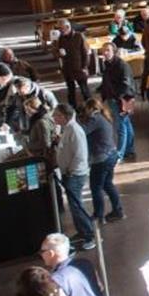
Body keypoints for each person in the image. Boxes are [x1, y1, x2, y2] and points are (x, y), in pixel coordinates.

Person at [53, 103, 96, 251]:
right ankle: (82, 232)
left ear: (64, 116)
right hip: (69, 172)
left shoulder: (74, 130)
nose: (54, 118)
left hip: (75, 174)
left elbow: (80, 154)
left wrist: (71, 170)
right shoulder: (68, 128)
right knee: (74, 205)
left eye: (56, 115)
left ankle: (89, 235)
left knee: (77, 206)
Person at [79, 98, 126, 225]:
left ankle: (98, 215)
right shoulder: (104, 116)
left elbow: (81, 131)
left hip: (101, 158)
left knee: (96, 187)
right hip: (111, 155)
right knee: (107, 184)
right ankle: (118, 211)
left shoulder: (95, 119)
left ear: (90, 109)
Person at [39, 233, 105, 296]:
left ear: (51, 253)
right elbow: (100, 287)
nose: (41, 255)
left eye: (42, 251)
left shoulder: (56, 280)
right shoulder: (86, 263)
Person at [98, 43, 136, 160]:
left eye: (108, 50)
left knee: (120, 126)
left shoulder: (122, 65)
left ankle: (120, 153)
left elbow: (126, 84)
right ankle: (129, 150)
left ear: (114, 51)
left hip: (123, 99)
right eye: (104, 50)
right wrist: (102, 94)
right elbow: (106, 82)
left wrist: (117, 97)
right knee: (126, 124)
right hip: (113, 98)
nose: (105, 53)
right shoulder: (107, 64)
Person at [55, 19, 91, 108]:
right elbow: (57, 52)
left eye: (61, 29)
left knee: (84, 90)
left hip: (79, 68)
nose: (59, 31)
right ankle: (73, 109)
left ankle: (91, 108)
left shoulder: (79, 36)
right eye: (59, 29)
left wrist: (85, 67)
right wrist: (59, 53)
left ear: (68, 27)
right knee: (71, 91)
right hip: (67, 68)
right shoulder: (61, 38)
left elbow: (85, 53)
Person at [23, 94, 57, 159]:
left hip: (40, 155)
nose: (26, 112)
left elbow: (45, 143)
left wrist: (27, 145)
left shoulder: (40, 122)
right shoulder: (39, 117)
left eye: (27, 109)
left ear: (34, 108)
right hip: (37, 151)